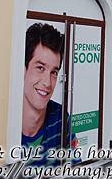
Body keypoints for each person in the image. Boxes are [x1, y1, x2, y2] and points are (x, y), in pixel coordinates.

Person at [22, 23, 80, 167]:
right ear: (23, 70)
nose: (47, 83)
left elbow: (75, 171)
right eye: (40, 68)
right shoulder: (3, 126)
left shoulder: (60, 117)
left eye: (53, 72)